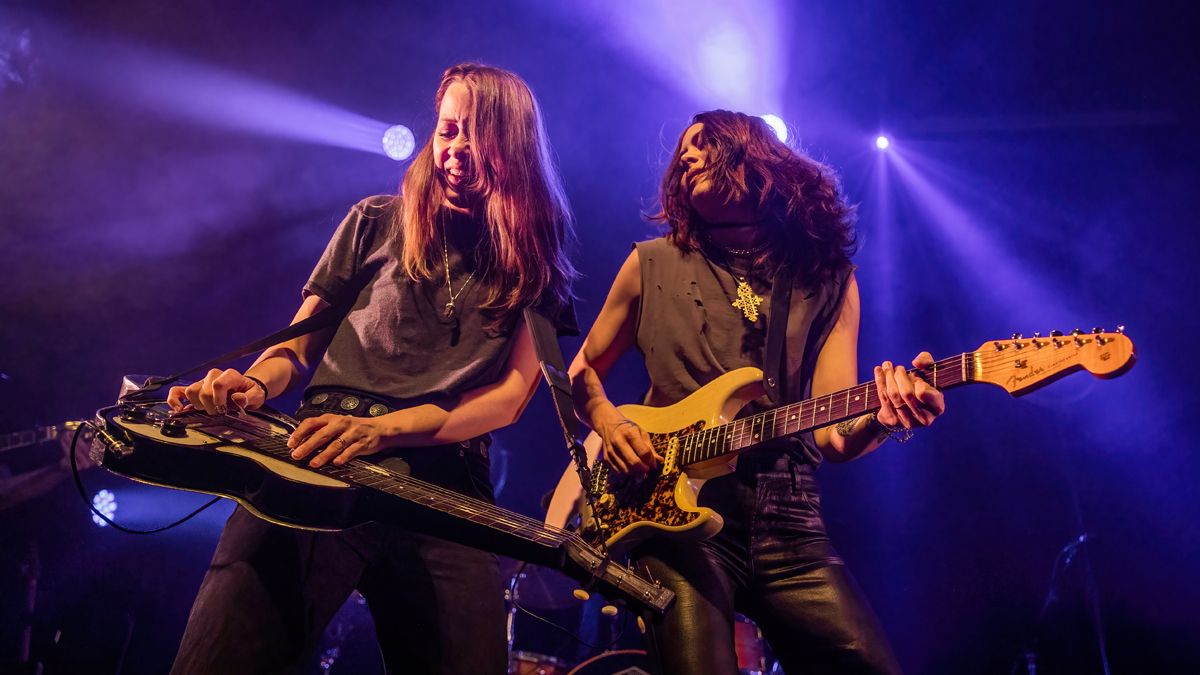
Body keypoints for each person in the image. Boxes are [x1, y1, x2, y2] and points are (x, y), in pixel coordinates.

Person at [165, 63, 577, 675]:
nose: (456, 151)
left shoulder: (533, 261)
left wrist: (388, 430)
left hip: (446, 486)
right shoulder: (375, 221)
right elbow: (296, 347)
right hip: (320, 459)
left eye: (475, 135)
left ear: (511, 146)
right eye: (447, 131)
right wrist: (251, 385)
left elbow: (512, 397)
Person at [547, 110, 944, 673]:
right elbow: (581, 372)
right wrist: (612, 425)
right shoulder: (649, 264)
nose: (686, 157)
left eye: (703, 144)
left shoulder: (828, 279)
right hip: (676, 514)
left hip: (790, 516)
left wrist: (884, 416)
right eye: (681, 152)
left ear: (753, 154)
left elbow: (834, 435)